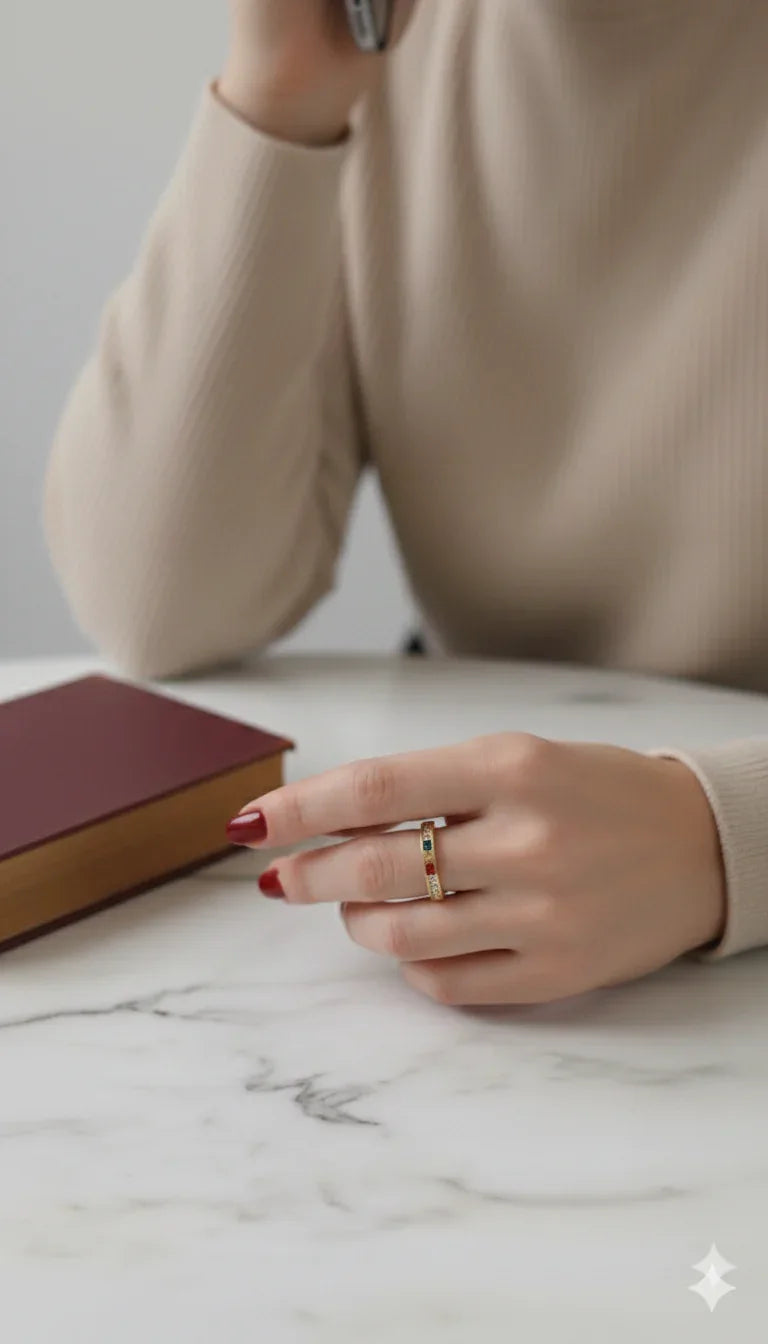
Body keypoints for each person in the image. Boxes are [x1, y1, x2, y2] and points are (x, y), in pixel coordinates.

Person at [45, 0, 768, 1006]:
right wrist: (280, 101)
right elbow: (164, 605)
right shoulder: (386, 50)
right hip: (495, 954)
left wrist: (727, 834)